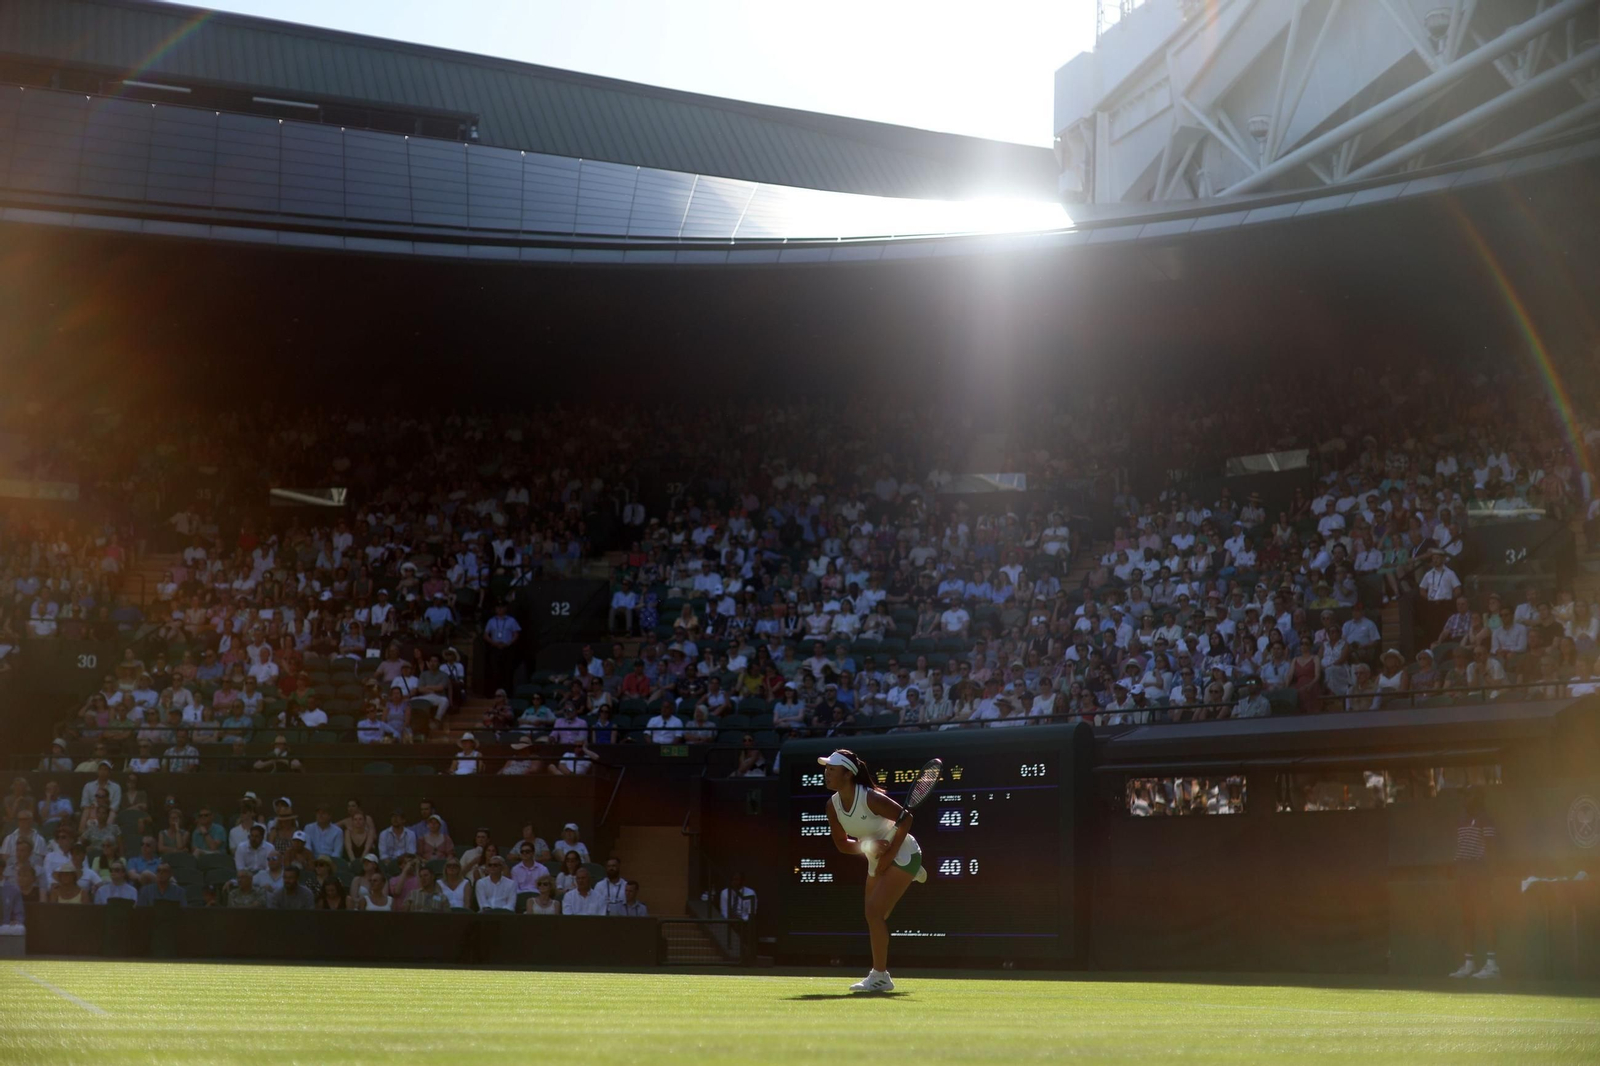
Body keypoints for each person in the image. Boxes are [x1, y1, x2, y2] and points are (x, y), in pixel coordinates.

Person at [820, 748, 925, 992]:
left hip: (904, 854)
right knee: (876, 916)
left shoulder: (870, 798)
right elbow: (842, 845)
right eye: (826, 768)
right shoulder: (832, 806)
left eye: (832, 769)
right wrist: (869, 846)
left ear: (848, 775)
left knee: (873, 912)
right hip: (875, 858)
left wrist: (888, 855)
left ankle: (880, 977)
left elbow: (905, 818)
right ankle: (909, 877)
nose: (826, 773)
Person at [1449, 789, 1500, 980]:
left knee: (1486, 917)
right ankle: (1469, 964)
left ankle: (1492, 965)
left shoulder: (1485, 820)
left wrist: (1489, 876)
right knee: (1467, 918)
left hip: (1480, 873)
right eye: (1463, 795)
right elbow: (1460, 847)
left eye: (1468, 795)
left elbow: (1491, 850)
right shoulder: (1462, 820)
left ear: (1477, 798)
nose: (1464, 799)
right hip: (1463, 874)